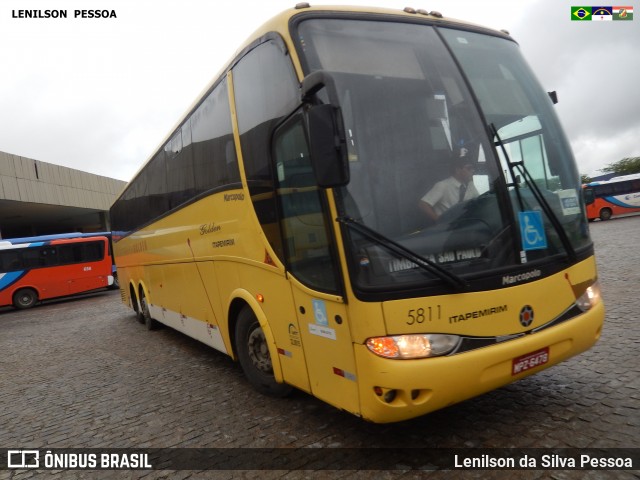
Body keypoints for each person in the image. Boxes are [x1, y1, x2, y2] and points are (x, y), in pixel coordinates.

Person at [419, 158, 479, 222]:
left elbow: (479, 202)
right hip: (449, 227)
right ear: (458, 170)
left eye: (473, 168)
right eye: (469, 168)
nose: (473, 171)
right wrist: (439, 221)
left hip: (466, 225)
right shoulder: (443, 185)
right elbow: (423, 204)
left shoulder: (470, 185)